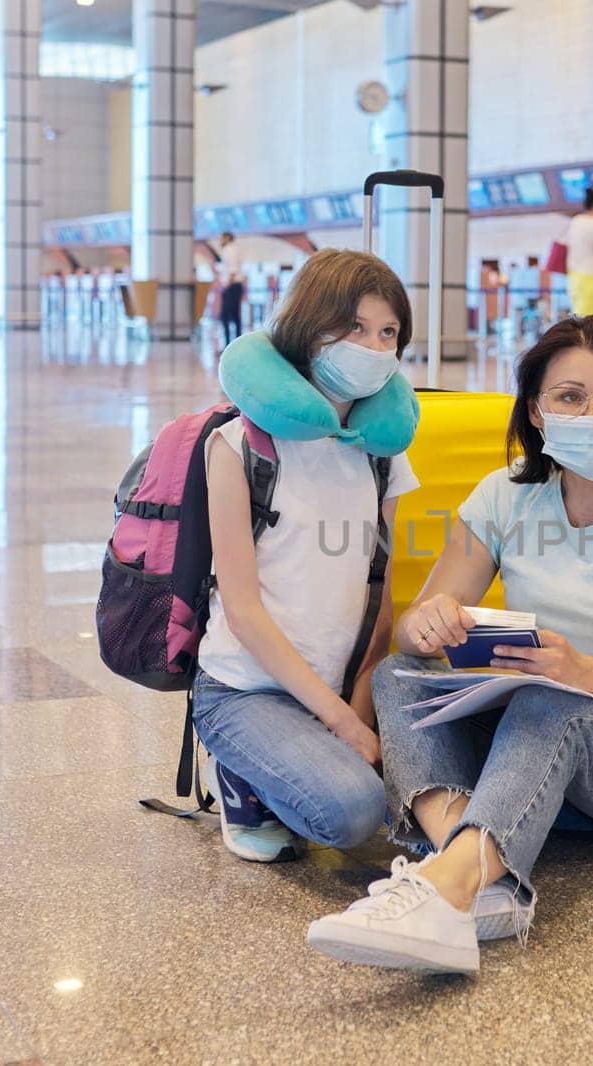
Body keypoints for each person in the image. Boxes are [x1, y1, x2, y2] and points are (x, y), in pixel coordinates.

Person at [307, 316, 593, 975]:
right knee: (400, 674)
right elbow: (414, 628)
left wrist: (585, 671)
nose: (592, 411)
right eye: (569, 396)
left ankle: (444, 886)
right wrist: (430, 623)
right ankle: (481, 878)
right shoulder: (507, 496)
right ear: (537, 413)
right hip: (546, 768)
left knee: (554, 700)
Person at [192, 249, 418, 864]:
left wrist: (358, 707)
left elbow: (381, 601)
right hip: (246, 689)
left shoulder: (382, 452)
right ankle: (236, 771)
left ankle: (292, 760)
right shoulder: (239, 446)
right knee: (354, 812)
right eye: (352, 328)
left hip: (340, 682)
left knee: (429, 785)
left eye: (388, 332)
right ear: (306, 329)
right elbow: (241, 610)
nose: (372, 348)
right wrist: (341, 726)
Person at [216, 231, 247, 346]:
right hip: (236, 286)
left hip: (232, 286)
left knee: (225, 316)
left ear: (227, 238)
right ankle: (236, 343)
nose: (220, 240)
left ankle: (228, 344)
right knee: (235, 316)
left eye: (221, 238)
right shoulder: (235, 249)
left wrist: (226, 286)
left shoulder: (229, 250)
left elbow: (232, 270)